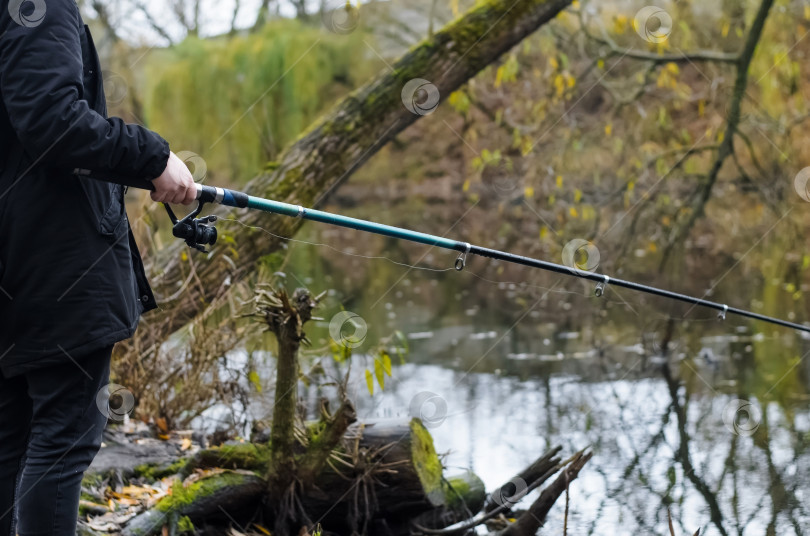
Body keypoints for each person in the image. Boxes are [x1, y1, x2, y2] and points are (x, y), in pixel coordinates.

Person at [0, 1, 196, 534]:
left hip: (20, 265)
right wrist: (152, 157)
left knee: (11, 440)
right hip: (53, 267)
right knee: (62, 442)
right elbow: (51, 120)